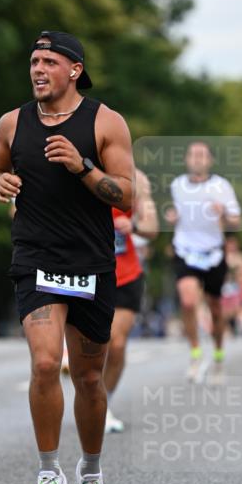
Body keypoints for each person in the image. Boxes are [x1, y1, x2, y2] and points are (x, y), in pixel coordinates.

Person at [0, 30, 133, 484]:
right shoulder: (13, 122)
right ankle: (50, 475)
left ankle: (90, 476)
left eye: (49, 61)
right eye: (33, 61)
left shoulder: (105, 122)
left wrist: (84, 167)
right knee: (47, 364)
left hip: (91, 263)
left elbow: (126, 196)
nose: (38, 70)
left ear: (74, 70)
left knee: (88, 377)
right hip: (36, 258)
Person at [166, 141, 242, 384]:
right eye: (193, 155)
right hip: (186, 249)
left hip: (213, 253)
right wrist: (173, 217)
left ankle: (218, 356)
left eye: (202, 155)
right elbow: (176, 214)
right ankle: (196, 354)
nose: (197, 159)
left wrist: (224, 214)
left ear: (209, 160)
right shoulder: (177, 185)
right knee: (188, 301)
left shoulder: (221, 186)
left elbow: (236, 220)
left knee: (216, 309)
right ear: (187, 160)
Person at [102, 168, 158, 432]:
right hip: (85, 274)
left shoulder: (135, 178)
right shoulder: (79, 166)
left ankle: (103, 403)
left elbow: (152, 227)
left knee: (117, 342)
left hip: (125, 275)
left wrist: (133, 225)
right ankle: (90, 399)